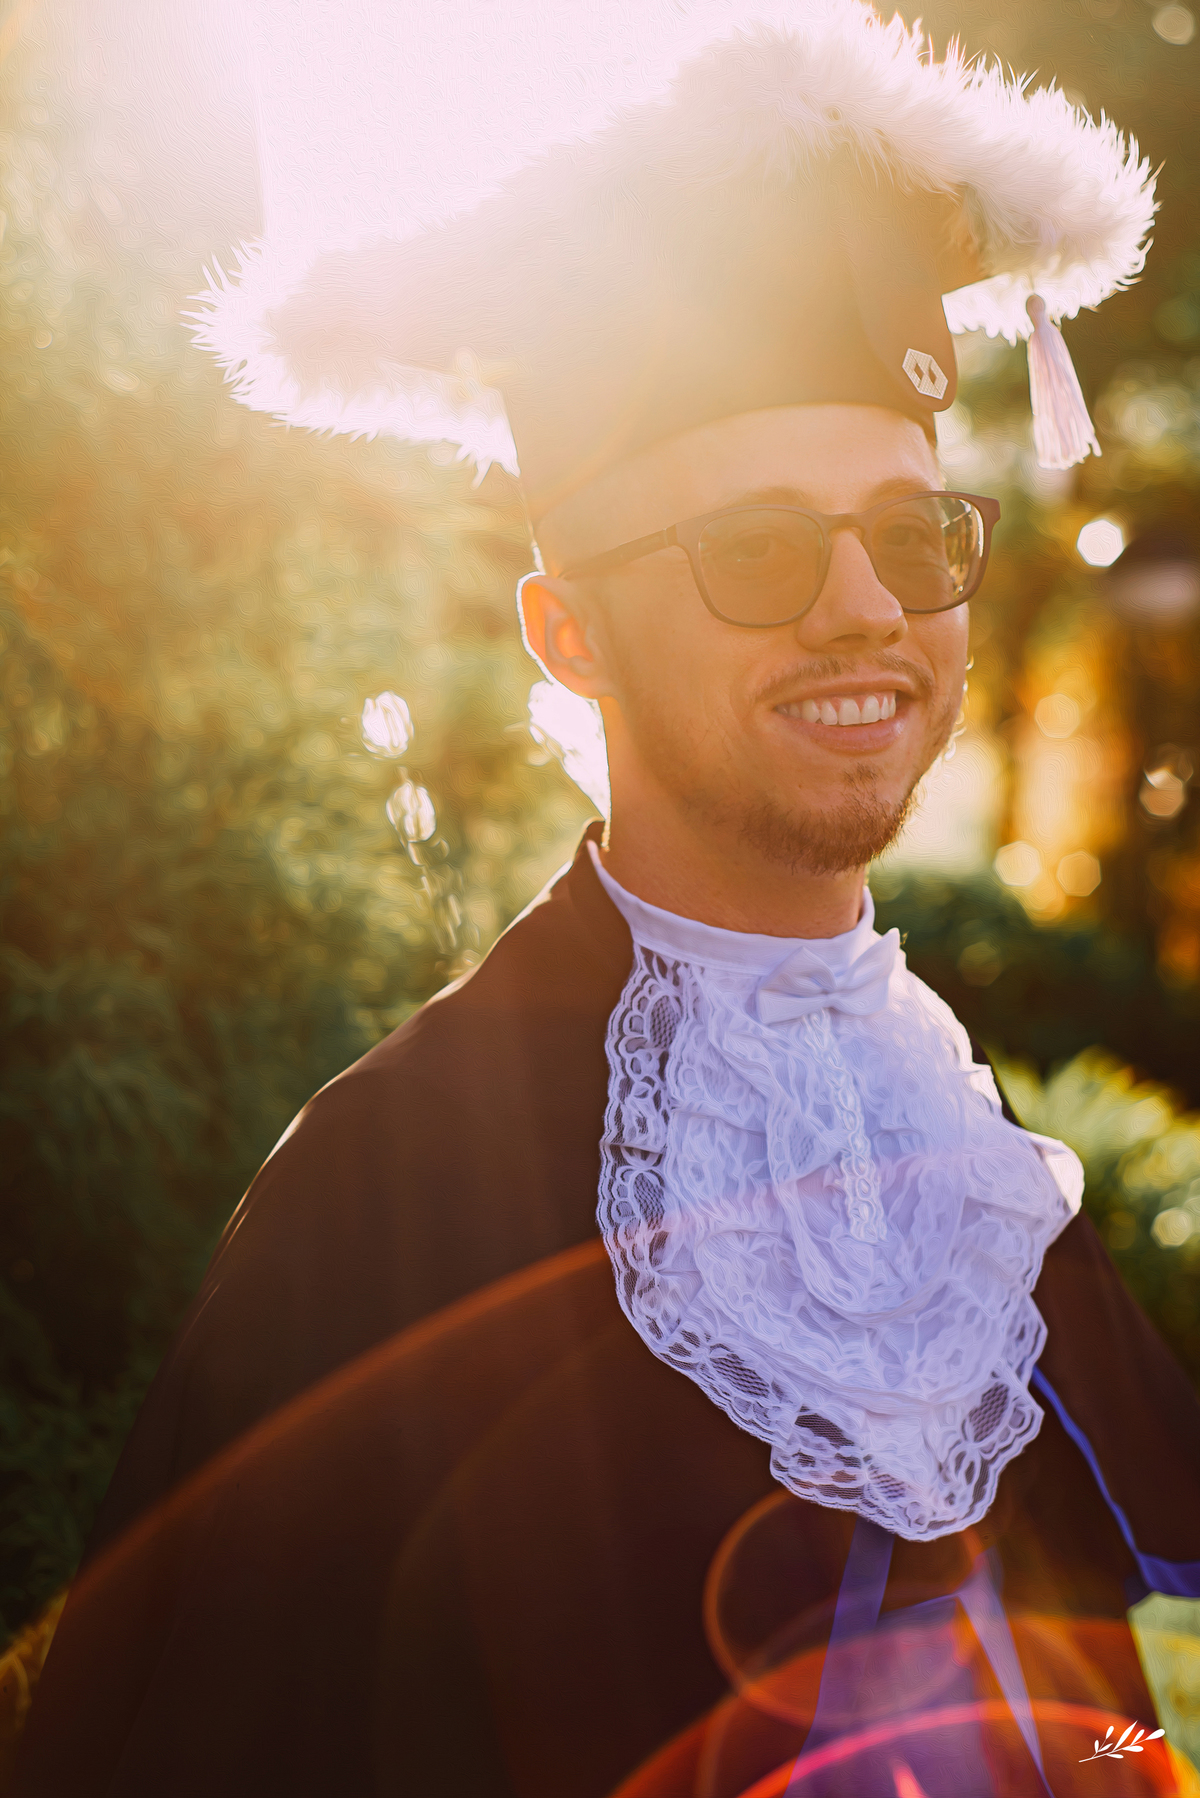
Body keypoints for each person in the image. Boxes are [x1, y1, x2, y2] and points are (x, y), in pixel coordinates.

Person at [17, 6, 1200, 1796]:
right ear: (568, 633)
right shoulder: (389, 1193)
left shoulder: (967, 1158)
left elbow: (1093, 1708)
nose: (867, 608)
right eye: (757, 550)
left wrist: (1130, 1767)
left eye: (912, 535)